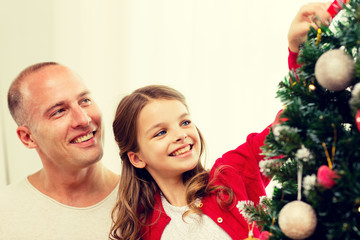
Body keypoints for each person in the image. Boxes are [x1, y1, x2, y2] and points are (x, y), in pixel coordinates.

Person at [109, 2, 333, 240]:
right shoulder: (143, 229)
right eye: (160, 132)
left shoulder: (230, 176)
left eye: (184, 122)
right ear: (137, 157)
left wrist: (298, 49)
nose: (180, 134)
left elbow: (291, 124)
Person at [0, 62, 120, 240]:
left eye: (85, 101)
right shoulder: (5, 211)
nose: (84, 119)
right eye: (59, 111)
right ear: (27, 137)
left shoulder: (150, 200)